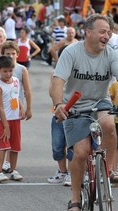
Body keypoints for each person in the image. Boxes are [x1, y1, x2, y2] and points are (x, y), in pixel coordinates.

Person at [49, 14, 118, 211]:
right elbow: (57, 82)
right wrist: (59, 104)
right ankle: (75, 199)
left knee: (109, 125)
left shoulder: (111, 54)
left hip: (100, 101)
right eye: (103, 31)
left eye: (109, 32)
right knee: (80, 153)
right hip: (74, 106)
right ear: (88, 32)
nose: (107, 36)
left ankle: (109, 169)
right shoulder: (71, 52)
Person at [0, 56, 27, 183]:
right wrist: (5, 125)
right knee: (4, 145)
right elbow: (0, 107)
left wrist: (22, 106)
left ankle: (13, 170)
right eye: (5, 71)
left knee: (14, 145)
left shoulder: (16, 81)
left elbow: (16, 96)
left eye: (10, 71)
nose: (8, 74)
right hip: (3, 120)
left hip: (15, 118)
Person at [47, 45, 73, 186]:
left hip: (73, 114)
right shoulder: (55, 73)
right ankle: (62, 171)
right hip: (58, 114)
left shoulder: (77, 73)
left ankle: (71, 173)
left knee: (72, 147)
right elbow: (51, 93)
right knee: (57, 146)